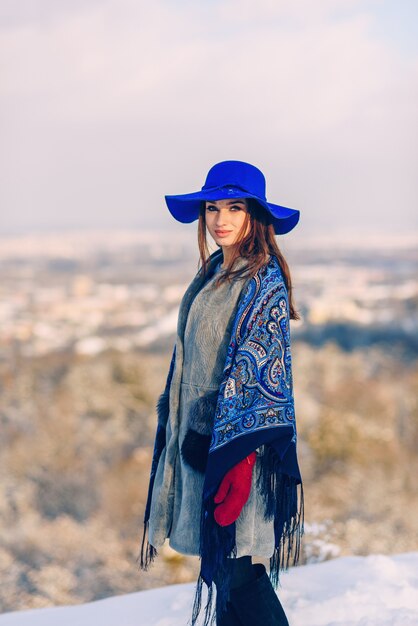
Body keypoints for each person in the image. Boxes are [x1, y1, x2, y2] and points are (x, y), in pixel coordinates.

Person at [139, 160, 304, 626]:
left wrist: (238, 459)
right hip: (203, 446)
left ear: (256, 215)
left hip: (236, 453)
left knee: (241, 572)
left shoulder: (261, 280)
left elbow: (260, 375)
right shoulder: (215, 272)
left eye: (234, 207)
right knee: (223, 574)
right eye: (212, 207)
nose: (220, 219)